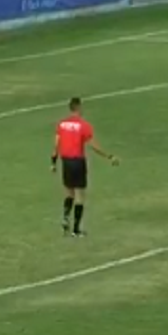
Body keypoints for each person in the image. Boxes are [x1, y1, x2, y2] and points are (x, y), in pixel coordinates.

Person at [52, 97, 118, 237]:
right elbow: (93, 146)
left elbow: (56, 144)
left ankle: (65, 218)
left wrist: (53, 162)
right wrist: (108, 156)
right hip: (77, 161)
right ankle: (76, 230)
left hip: (65, 161)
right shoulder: (84, 125)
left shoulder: (61, 124)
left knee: (69, 192)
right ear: (78, 108)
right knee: (80, 195)